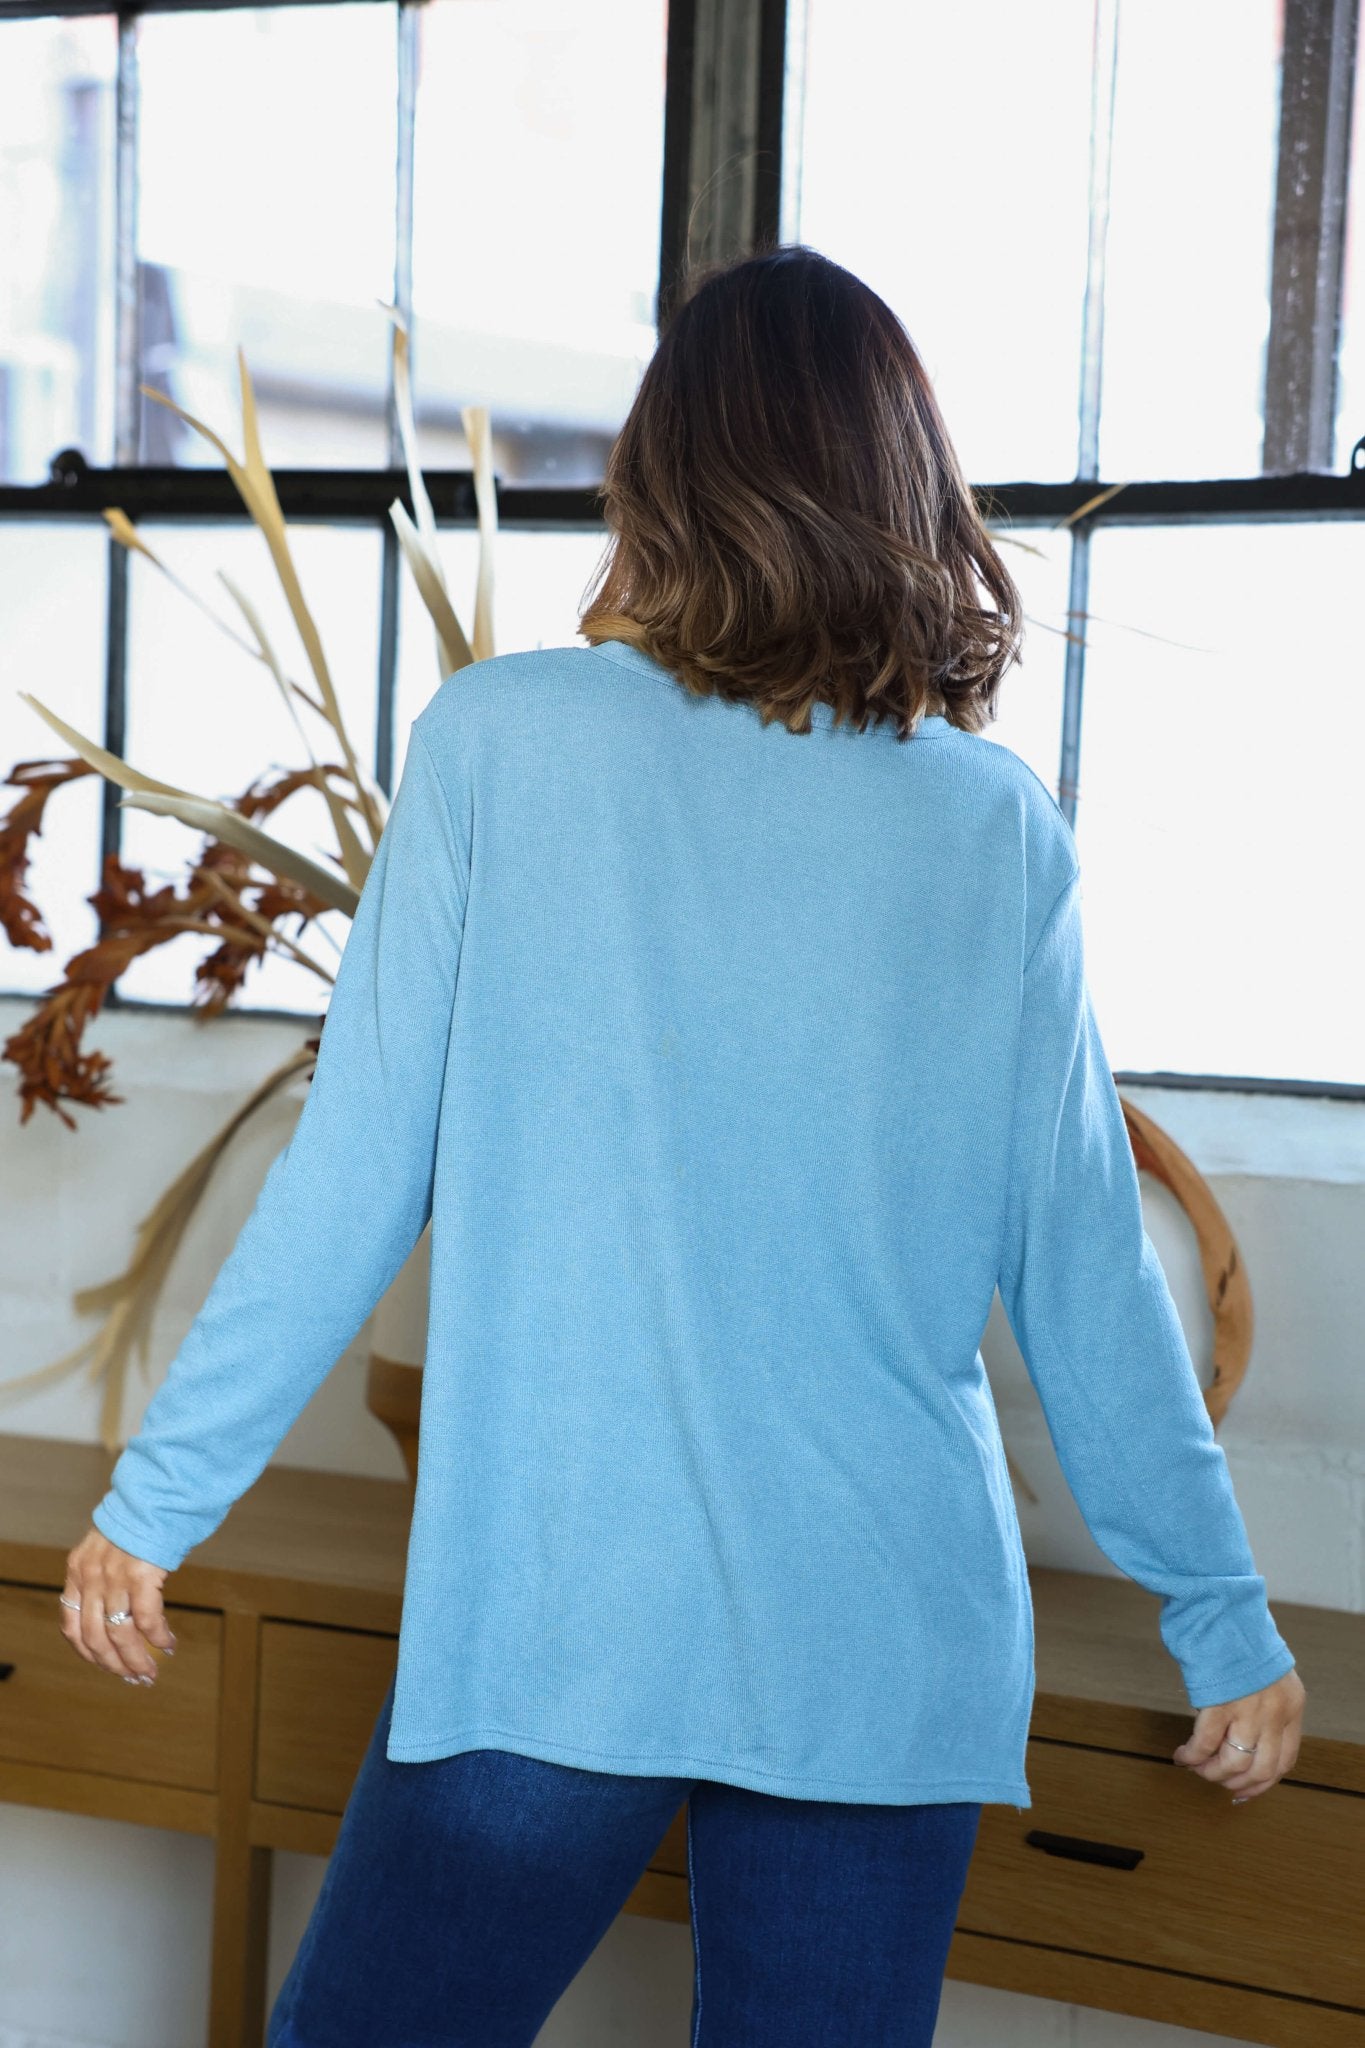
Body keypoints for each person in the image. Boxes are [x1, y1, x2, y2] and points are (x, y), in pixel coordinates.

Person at [57, 245, 1304, 2047]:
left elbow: (352, 1174)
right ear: (905, 495)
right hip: (887, 1631)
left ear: (660, 479)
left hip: (562, 1619)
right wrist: (1218, 1612)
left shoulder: (500, 743)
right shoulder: (993, 826)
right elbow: (1085, 1267)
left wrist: (153, 1507)